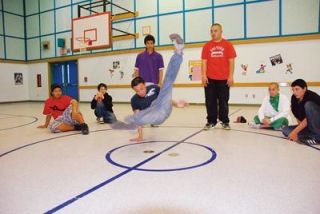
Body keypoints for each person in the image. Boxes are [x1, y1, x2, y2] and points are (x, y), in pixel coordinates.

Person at [201, 23, 237, 130]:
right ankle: (211, 121)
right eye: (211, 31)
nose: (213, 33)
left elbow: (231, 62)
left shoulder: (228, 45)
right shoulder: (206, 46)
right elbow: (204, 62)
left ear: (221, 31)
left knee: (223, 101)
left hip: (224, 79)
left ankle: (224, 121)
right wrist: (203, 75)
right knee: (210, 101)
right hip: (210, 78)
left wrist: (230, 76)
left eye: (215, 31)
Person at [282, 79, 320, 145]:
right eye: (293, 90)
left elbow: (307, 120)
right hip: (310, 127)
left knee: (308, 105)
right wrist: (295, 132)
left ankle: (317, 138)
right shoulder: (294, 98)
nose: (294, 92)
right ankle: (311, 136)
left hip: (317, 125)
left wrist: (295, 132)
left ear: (304, 88)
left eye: (297, 89)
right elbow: (298, 117)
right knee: (286, 130)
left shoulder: (312, 96)